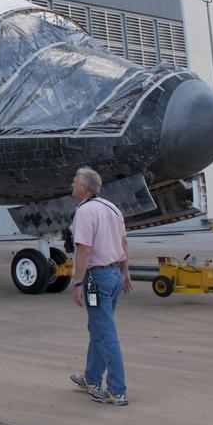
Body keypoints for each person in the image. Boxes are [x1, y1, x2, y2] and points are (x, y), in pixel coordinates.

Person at [68, 166, 131, 406]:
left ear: (84, 187)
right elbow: (123, 241)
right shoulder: (112, 208)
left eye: (74, 181)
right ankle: (91, 378)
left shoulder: (84, 212)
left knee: (105, 333)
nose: (71, 185)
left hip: (97, 279)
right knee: (98, 328)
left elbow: (84, 249)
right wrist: (125, 271)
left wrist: (78, 282)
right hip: (114, 274)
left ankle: (117, 390)